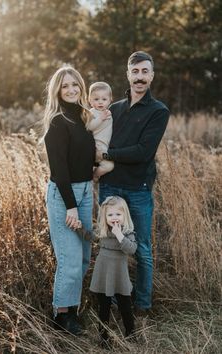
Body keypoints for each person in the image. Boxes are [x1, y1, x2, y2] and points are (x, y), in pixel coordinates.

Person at [98, 51, 170, 313]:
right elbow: (100, 138)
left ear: (151, 75)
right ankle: (115, 302)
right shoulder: (113, 109)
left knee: (141, 249)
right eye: (135, 71)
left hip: (138, 189)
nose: (139, 77)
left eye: (144, 72)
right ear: (128, 74)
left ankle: (142, 305)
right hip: (109, 187)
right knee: (111, 246)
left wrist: (107, 156)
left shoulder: (158, 111)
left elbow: (143, 152)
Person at [43, 64, 95, 335]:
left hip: (87, 191)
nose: (72, 89)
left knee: (84, 257)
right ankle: (61, 318)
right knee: (70, 259)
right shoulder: (57, 122)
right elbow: (59, 171)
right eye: (65, 86)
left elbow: (87, 156)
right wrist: (71, 207)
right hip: (64, 195)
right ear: (58, 91)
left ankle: (72, 310)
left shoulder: (87, 119)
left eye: (75, 84)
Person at [87, 196, 137, 346]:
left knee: (125, 306)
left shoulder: (127, 232)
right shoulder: (102, 231)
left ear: (124, 216)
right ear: (105, 217)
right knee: (103, 307)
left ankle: (131, 335)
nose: (114, 218)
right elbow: (88, 236)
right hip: (103, 273)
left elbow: (132, 249)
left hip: (119, 274)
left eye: (118, 214)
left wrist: (119, 235)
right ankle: (103, 338)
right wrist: (78, 227)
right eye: (110, 215)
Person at [87, 82, 114, 180]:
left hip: (106, 148)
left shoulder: (109, 113)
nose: (100, 102)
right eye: (96, 99)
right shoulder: (91, 113)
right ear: (90, 100)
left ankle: (95, 173)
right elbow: (89, 127)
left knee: (109, 166)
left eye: (104, 99)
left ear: (110, 100)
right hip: (97, 147)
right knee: (109, 165)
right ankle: (94, 175)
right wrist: (100, 119)